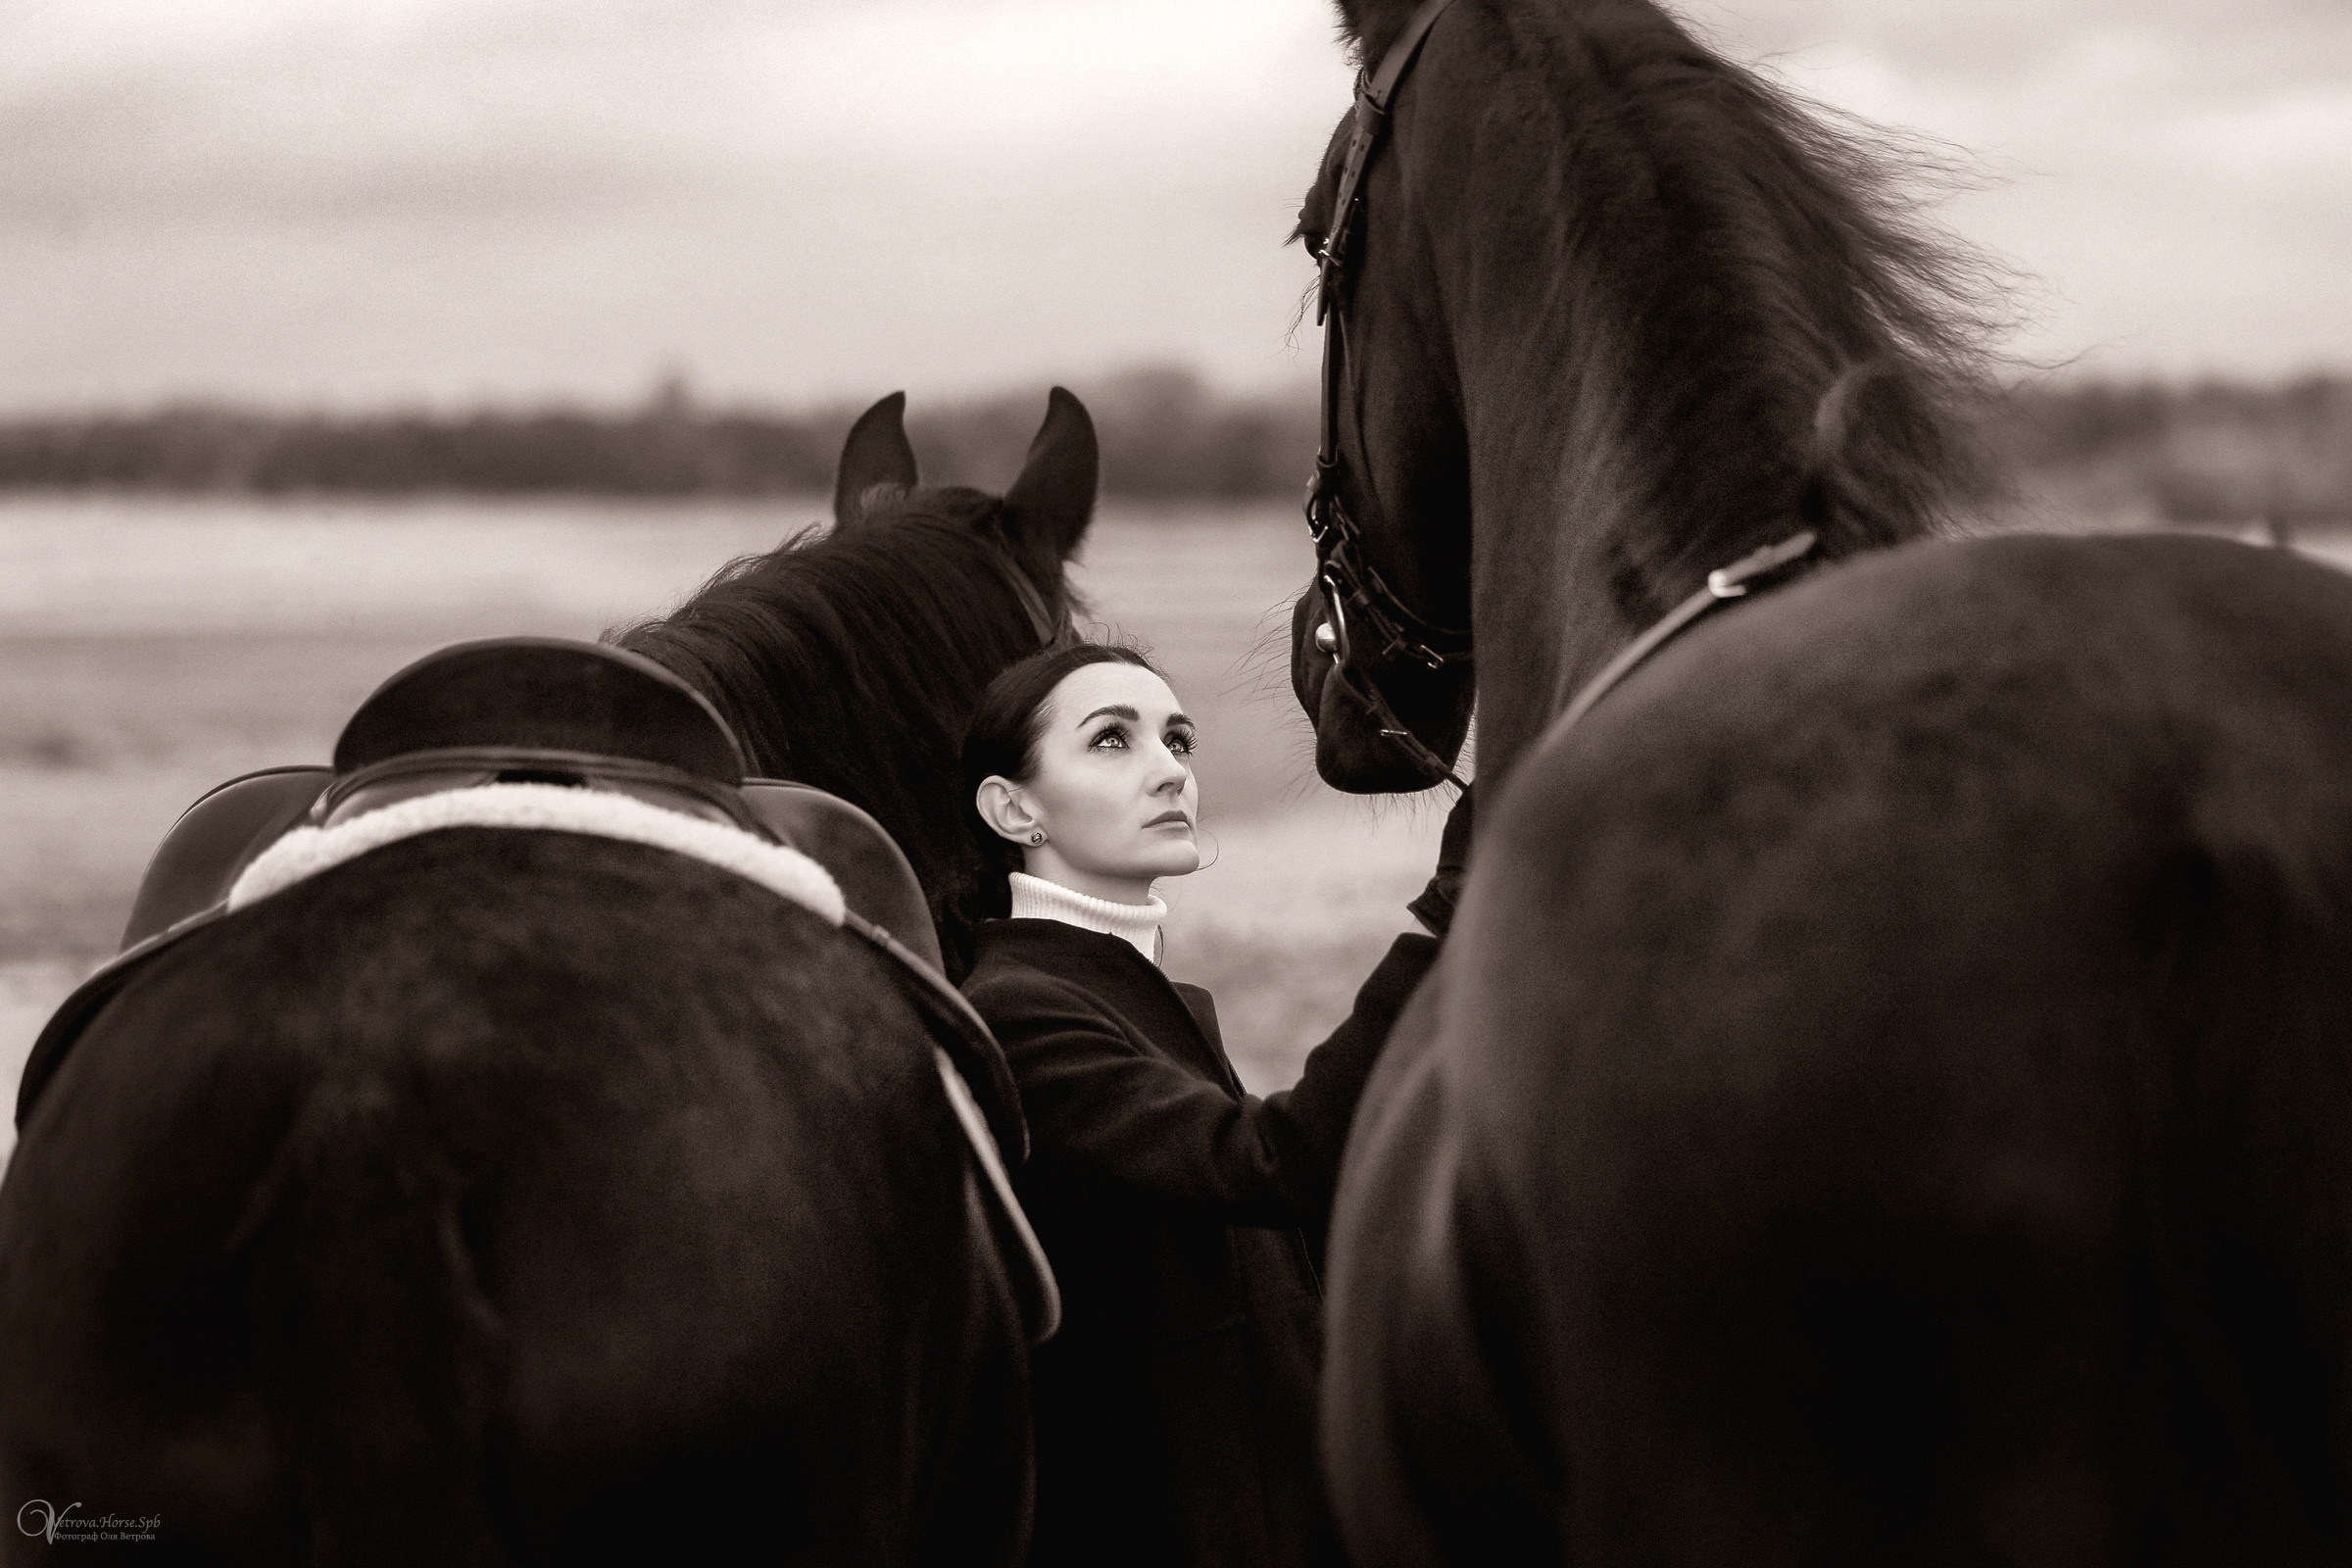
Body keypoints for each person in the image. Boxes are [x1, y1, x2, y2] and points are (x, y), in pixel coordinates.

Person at [957, 641, 1471, 1568]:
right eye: (1113, 741)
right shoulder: (1018, 1009)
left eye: (1179, 740)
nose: (1170, 771)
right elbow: (1270, 1165)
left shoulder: (1146, 995)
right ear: (1013, 807)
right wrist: (1444, 924)